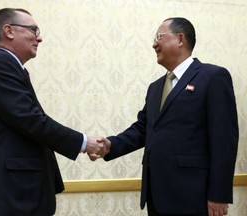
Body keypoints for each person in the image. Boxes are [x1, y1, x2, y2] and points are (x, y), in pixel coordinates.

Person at [0, 8, 108, 216]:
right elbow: (31, 120)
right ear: (9, 31)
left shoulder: (9, 67)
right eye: (33, 30)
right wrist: (84, 142)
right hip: (8, 195)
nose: (39, 38)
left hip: (17, 193)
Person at [93, 17, 239, 216]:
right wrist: (110, 145)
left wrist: (219, 194)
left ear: (180, 39)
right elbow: (143, 129)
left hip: (195, 196)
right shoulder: (156, 87)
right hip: (157, 196)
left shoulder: (213, 77)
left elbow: (224, 141)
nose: (154, 44)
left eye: (159, 37)